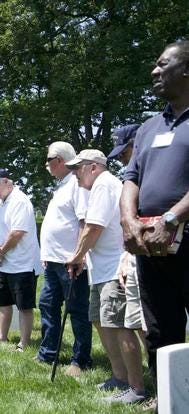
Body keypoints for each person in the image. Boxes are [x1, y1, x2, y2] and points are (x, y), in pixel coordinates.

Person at [120, 41, 189, 398]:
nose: (155, 72)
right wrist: (129, 221)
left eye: (163, 65)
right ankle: (168, 399)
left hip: (184, 236)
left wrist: (173, 217)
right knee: (160, 326)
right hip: (151, 245)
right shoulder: (148, 127)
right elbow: (131, 178)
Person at [65, 150, 146, 404]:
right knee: (102, 322)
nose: (74, 175)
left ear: (93, 167)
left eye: (77, 169)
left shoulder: (103, 185)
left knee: (121, 327)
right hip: (101, 270)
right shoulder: (98, 186)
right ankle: (119, 376)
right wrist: (81, 257)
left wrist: (77, 256)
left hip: (114, 269)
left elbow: (94, 227)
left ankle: (136, 387)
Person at [37, 142, 92, 376]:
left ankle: (80, 360)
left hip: (71, 262)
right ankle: (48, 353)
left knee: (77, 310)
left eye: (48, 160)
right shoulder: (61, 186)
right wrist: (46, 254)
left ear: (59, 160)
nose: (46, 164)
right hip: (53, 261)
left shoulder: (76, 185)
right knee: (48, 304)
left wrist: (78, 256)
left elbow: (83, 222)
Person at [0, 168, 40, 351]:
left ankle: (23, 343)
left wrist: (1, 252)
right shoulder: (0, 203)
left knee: (24, 306)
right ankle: (2, 337)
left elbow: (17, 232)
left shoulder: (20, 201)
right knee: (3, 302)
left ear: (7, 181)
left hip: (23, 263)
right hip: (4, 264)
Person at [108, 125, 148, 347]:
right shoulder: (131, 179)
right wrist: (126, 257)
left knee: (149, 323)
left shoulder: (152, 176)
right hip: (133, 258)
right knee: (136, 322)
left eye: (124, 153)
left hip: (156, 257)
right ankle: (154, 377)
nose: (122, 159)